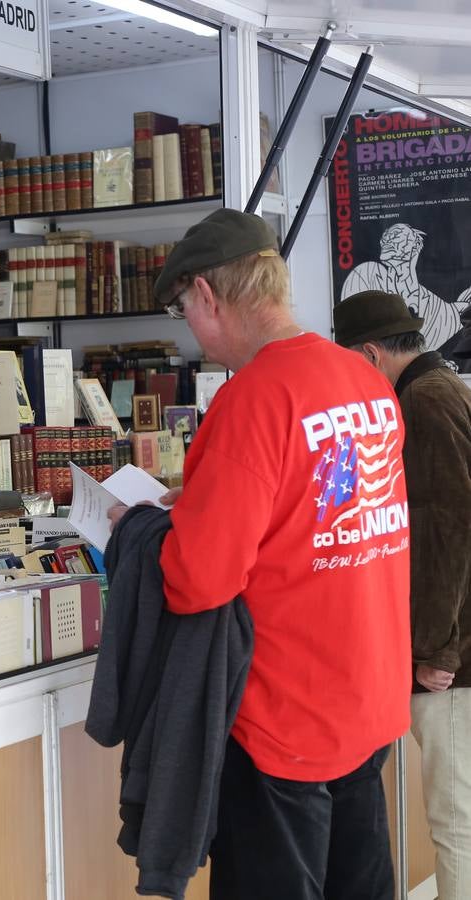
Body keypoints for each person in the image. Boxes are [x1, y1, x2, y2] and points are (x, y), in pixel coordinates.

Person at [109, 209, 412, 899]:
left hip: (282, 721)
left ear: (208, 296)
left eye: (184, 309)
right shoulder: (366, 381)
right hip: (365, 703)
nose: (192, 328)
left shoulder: (252, 401)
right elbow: (325, 512)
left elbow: (197, 582)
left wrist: (145, 529)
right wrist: (201, 505)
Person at [334, 290, 471, 900]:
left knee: (455, 819)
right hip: (452, 646)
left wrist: (438, 650)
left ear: (368, 353)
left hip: (453, 659)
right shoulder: (437, 390)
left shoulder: (423, 402)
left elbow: (451, 528)